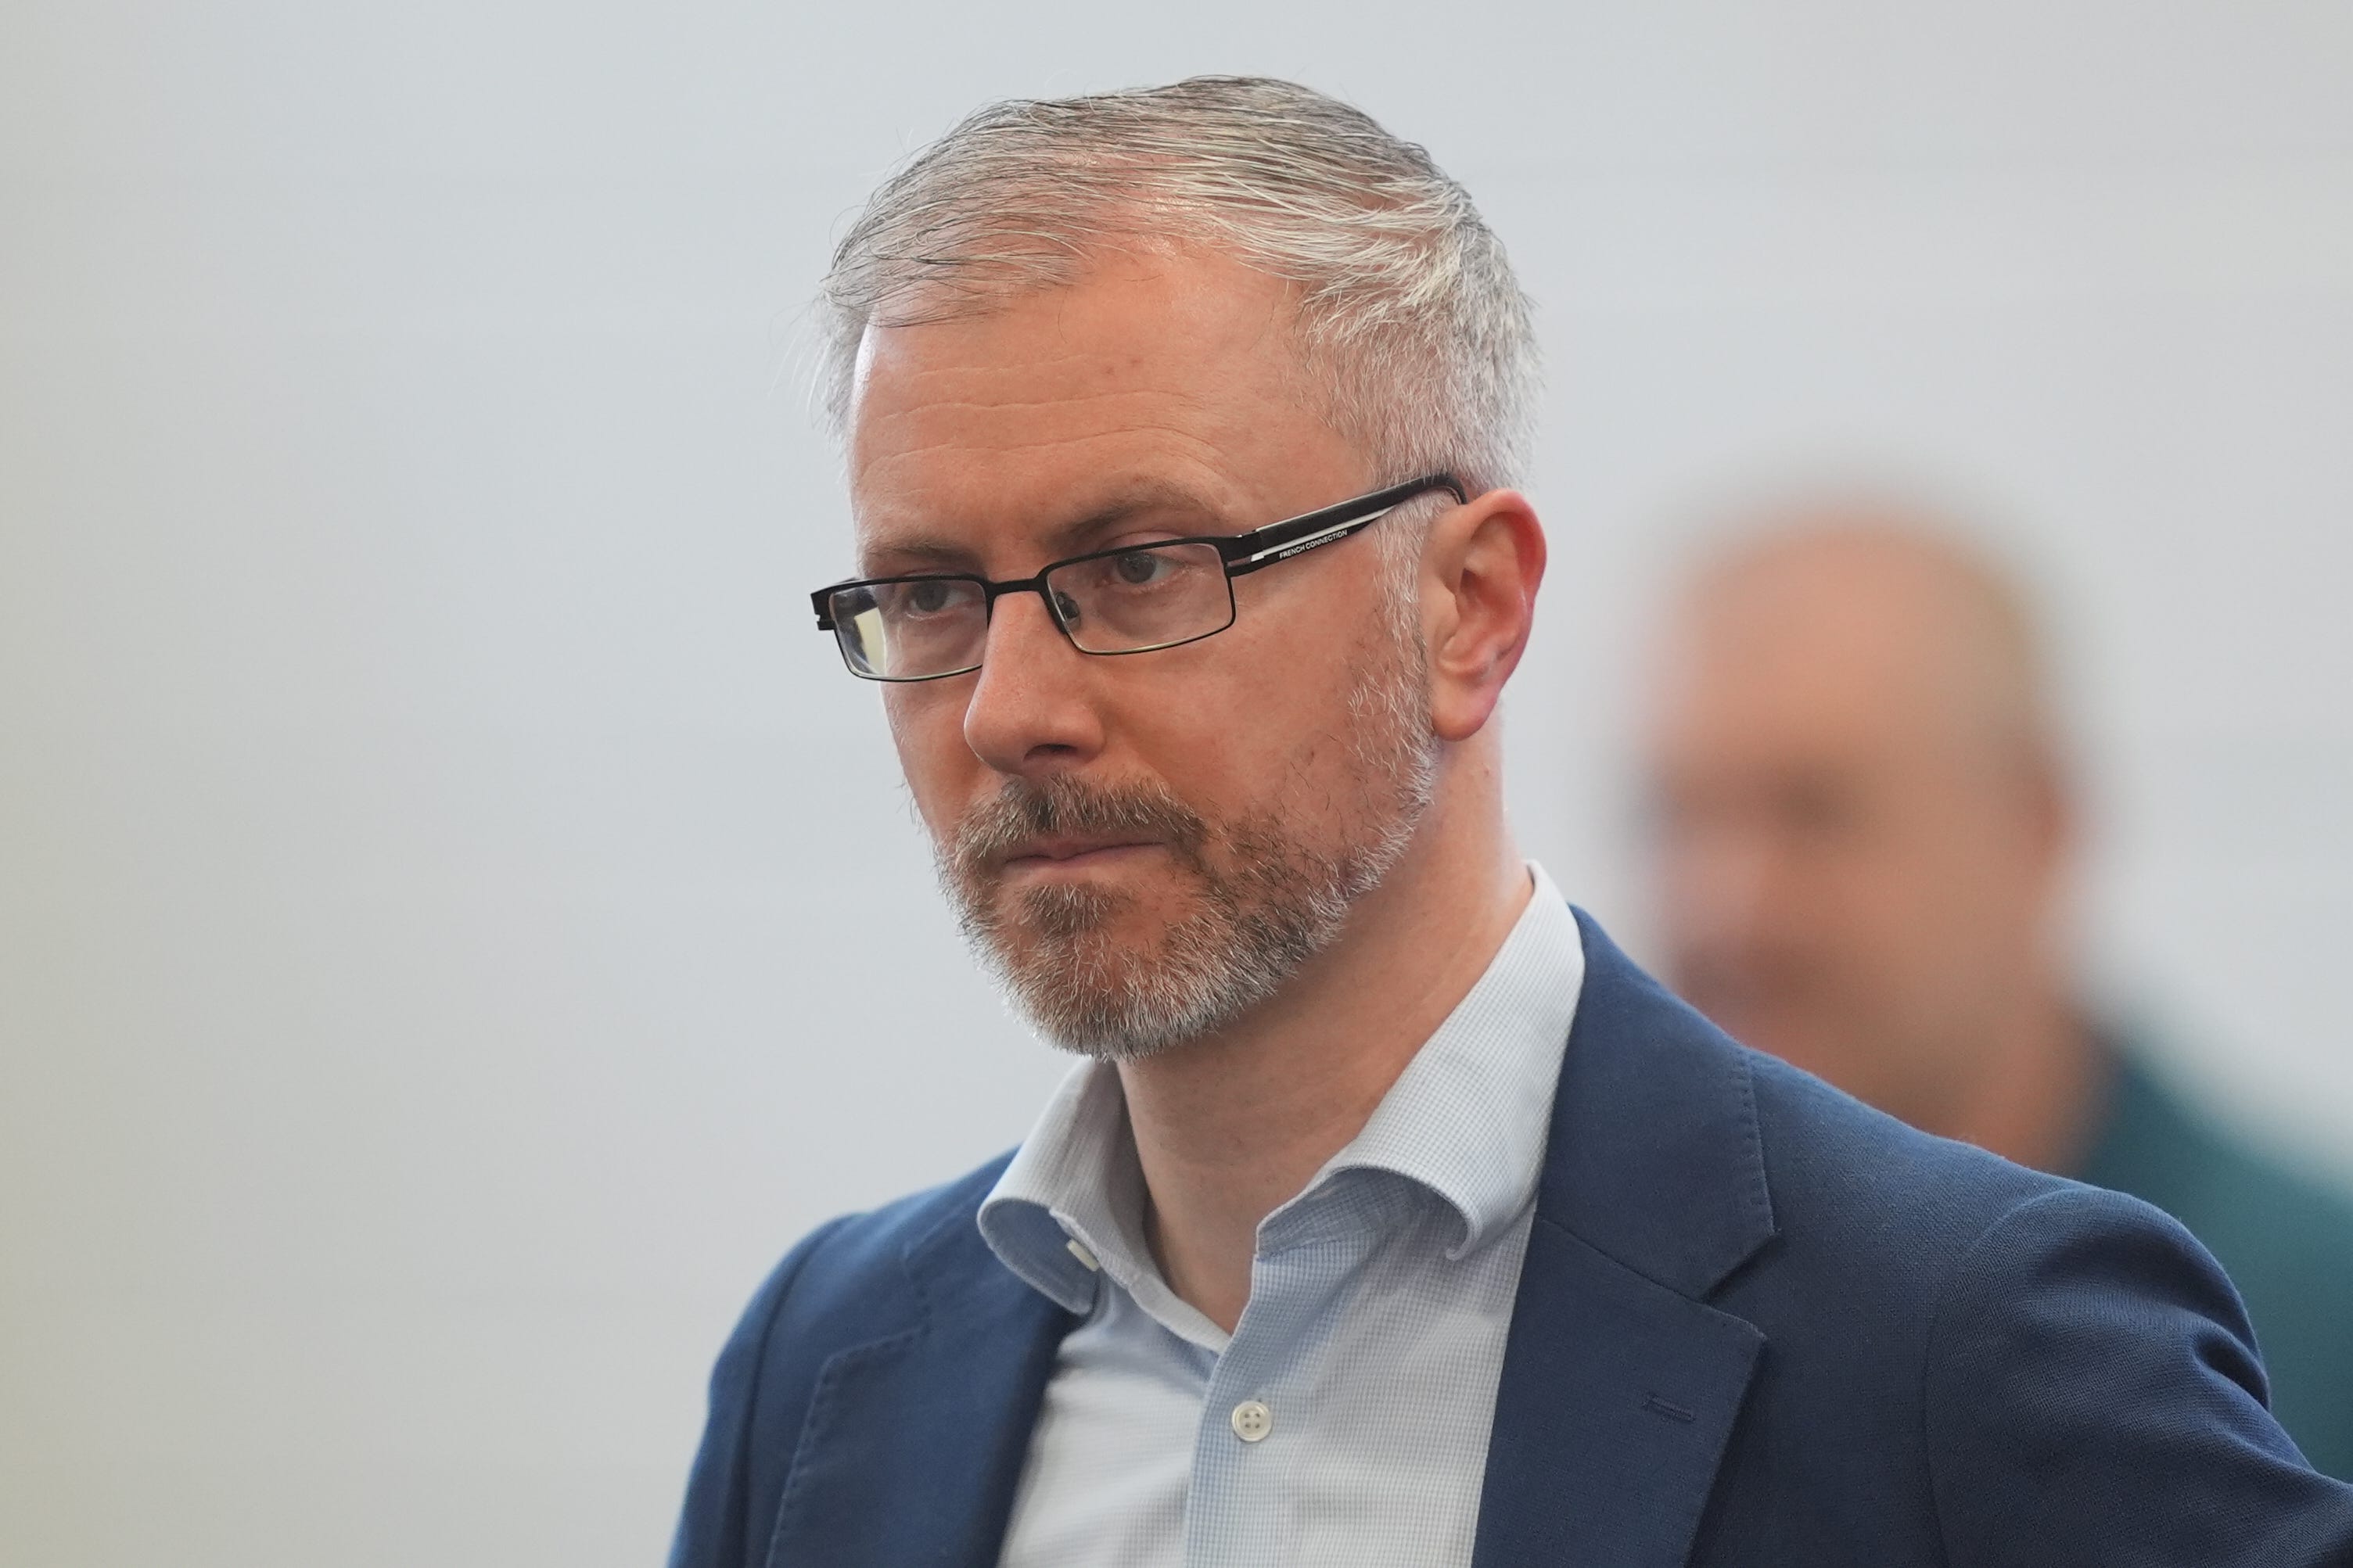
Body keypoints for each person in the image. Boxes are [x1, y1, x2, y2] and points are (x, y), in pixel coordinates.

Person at [671, 77, 2353, 1566]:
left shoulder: (1969, 1343)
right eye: (928, 593)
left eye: (1141, 567)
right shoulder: (829, 1371)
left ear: (1466, 609)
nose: (1005, 706)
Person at [1639, 501, 2353, 1480]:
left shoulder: (2316, 1328)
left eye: (1816, 813)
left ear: (2038, 827)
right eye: (1681, 817)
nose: (1728, 907)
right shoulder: (1609, 1310)